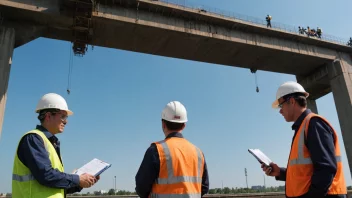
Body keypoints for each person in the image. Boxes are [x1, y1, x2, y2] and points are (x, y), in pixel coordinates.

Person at [261, 81, 347, 198]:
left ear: (292, 101)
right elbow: (305, 174)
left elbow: (325, 169)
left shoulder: (314, 124)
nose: (280, 111)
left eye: (281, 105)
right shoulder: (303, 127)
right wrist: (280, 172)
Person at [12, 93, 99, 198]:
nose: (66, 121)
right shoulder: (33, 139)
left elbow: (55, 186)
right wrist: (77, 179)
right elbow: (46, 176)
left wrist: (80, 182)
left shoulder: (49, 142)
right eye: (62, 116)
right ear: (48, 116)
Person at [135, 101, 209, 198]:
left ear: (163, 124)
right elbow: (204, 187)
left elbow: (141, 188)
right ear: (184, 125)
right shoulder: (198, 153)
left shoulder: (155, 150)